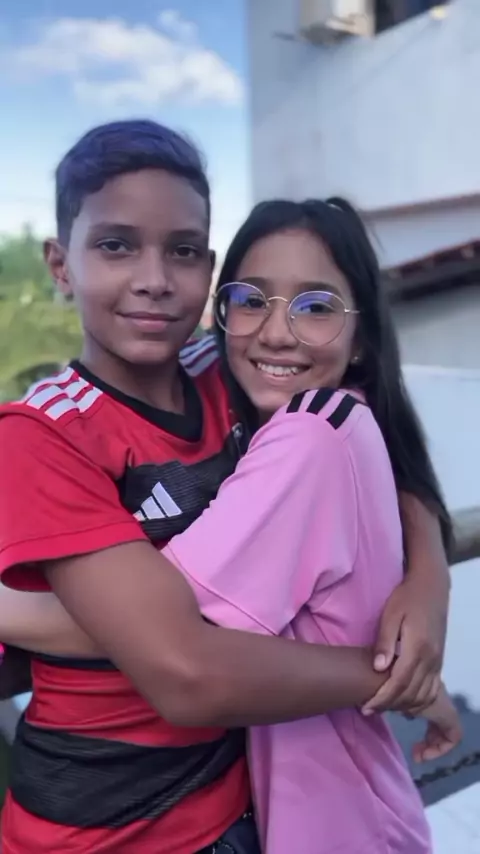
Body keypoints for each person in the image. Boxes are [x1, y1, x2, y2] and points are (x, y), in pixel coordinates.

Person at [0, 121, 452, 853]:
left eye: (182, 250)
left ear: (209, 271)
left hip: (242, 803)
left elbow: (371, 433)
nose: (153, 278)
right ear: (61, 264)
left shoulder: (236, 367)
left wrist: (429, 578)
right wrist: (400, 678)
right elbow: (178, 661)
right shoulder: (44, 432)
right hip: (103, 830)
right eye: (116, 245)